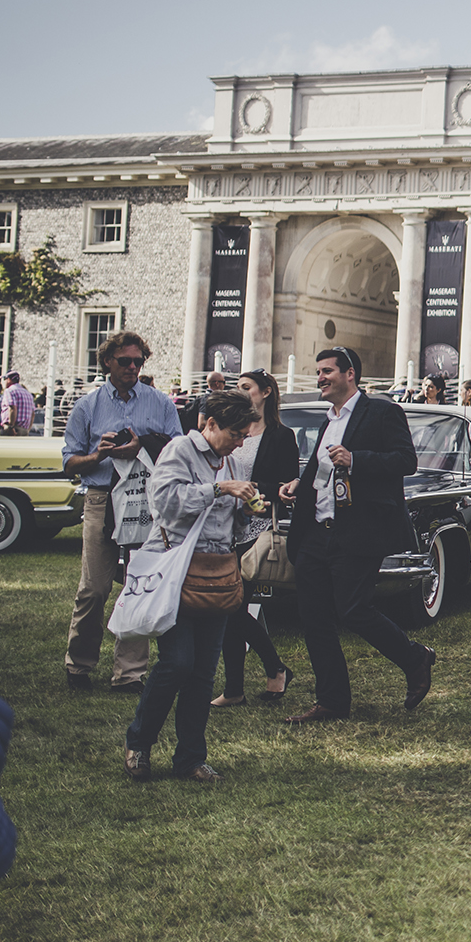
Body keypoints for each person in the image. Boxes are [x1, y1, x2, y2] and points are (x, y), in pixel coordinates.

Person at [276, 347, 435, 723]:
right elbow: (322, 467)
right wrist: (299, 484)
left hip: (359, 530)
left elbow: (405, 461)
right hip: (317, 529)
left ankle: (415, 657)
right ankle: (332, 701)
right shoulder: (328, 419)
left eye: (327, 371)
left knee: (352, 609)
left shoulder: (381, 411)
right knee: (313, 615)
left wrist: (357, 459)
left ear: (351, 374)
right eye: (317, 372)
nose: (320, 378)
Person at [123, 391, 259, 783]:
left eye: (245, 434)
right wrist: (219, 490)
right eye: (235, 432)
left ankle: (190, 759)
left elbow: (232, 525)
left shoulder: (231, 460)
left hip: (215, 573)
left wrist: (246, 509)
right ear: (210, 423)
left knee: (202, 672)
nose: (241, 441)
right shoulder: (180, 450)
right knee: (177, 662)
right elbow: (165, 504)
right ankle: (139, 742)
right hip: (177, 571)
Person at [60, 330, 183, 692]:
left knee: (138, 584)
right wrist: (99, 454)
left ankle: (129, 674)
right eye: (125, 361)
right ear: (108, 363)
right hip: (101, 496)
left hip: (145, 499)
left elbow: (177, 449)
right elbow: (69, 462)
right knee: (94, 588)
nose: (132, 367)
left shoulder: (160, 403)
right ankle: (78, 665)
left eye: (138, 362)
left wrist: (141, 445)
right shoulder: (88, 406)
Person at [210, 370, 296, 709]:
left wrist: (256, 493)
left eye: (247, 387)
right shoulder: (231, 430)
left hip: (255, 530)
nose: (241, 392)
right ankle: (255, 678)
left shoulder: (281, 435)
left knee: (231, 607)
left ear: (267, 393)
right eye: (238, 387)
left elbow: (288, 485)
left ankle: (250, 680)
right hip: (222, 527)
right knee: (229, 608)